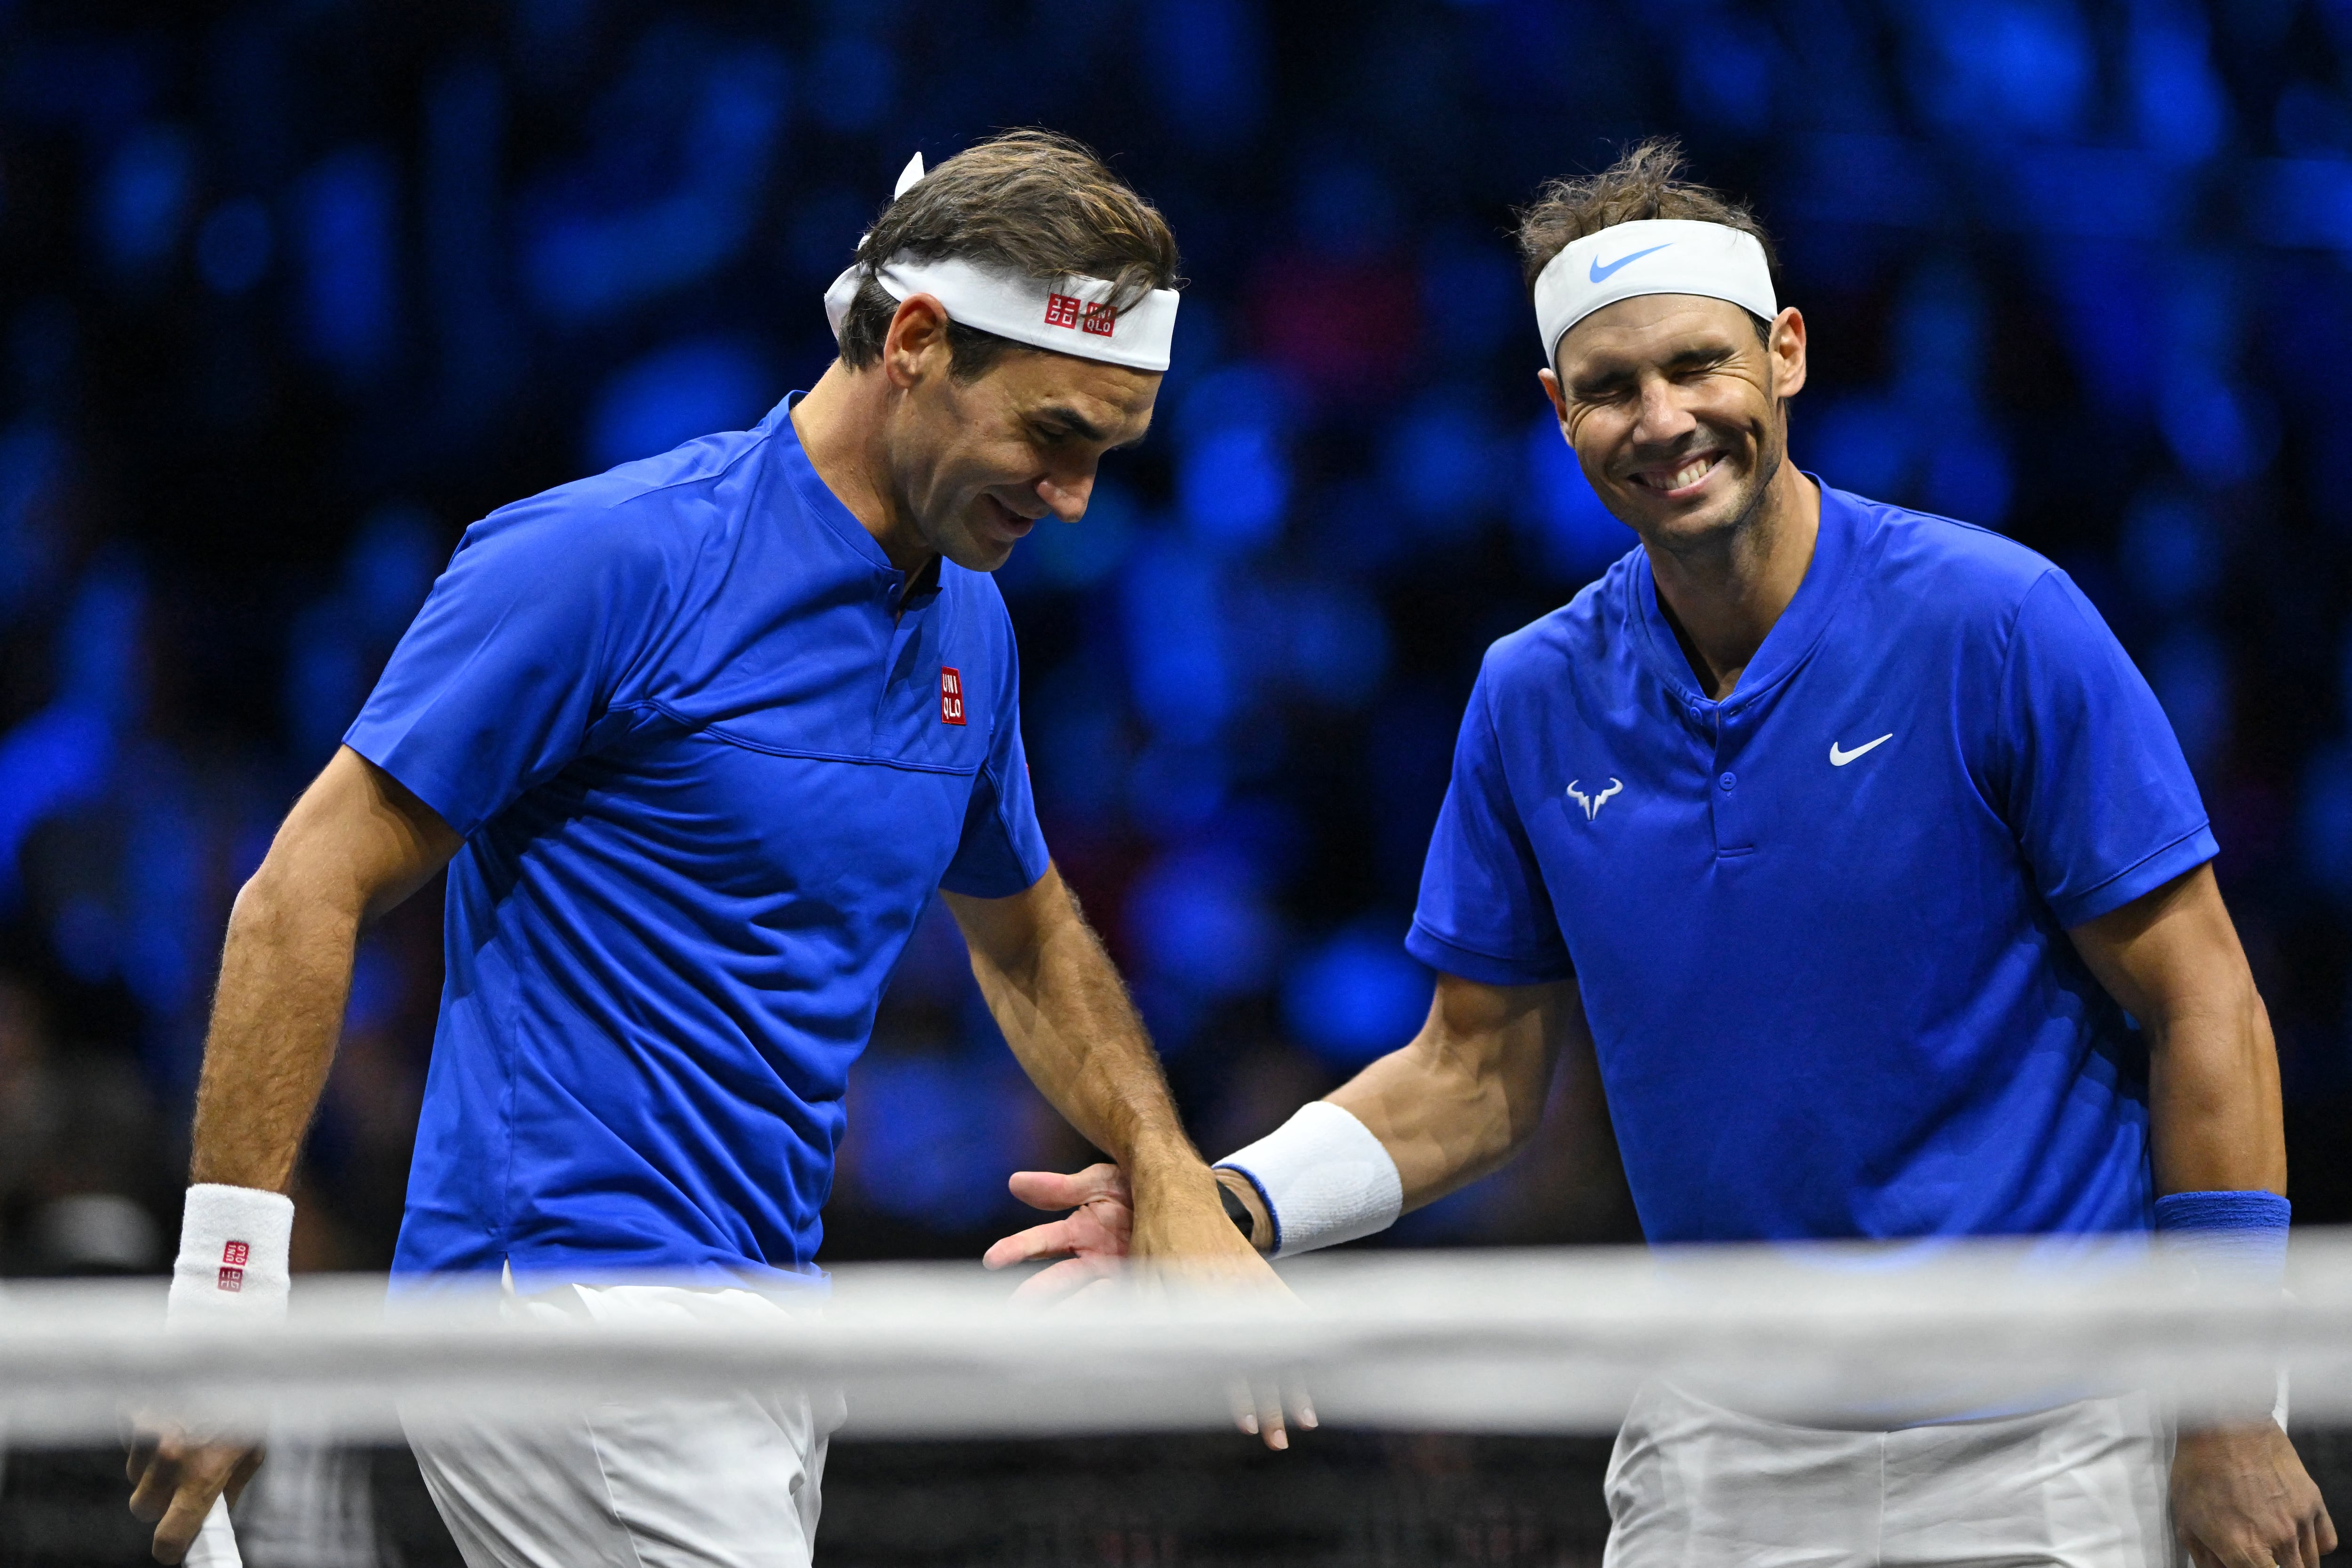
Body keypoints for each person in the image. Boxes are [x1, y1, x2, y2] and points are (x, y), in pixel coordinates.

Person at [988, 140, 2337, 1568]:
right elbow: (1473, 1078)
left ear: (1789, 357)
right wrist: (1233, 1199)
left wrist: (2231, 1411)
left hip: (2054, 1437)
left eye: (1703, 366)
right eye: (1616, 386)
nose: (1667, 417)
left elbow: (2208, 1007)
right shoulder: (1531, 693)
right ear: (1557, 413)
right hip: (1727, 1450)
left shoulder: (1999, 624)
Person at [126, 130, 1273, 1568]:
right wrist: (225, 1301)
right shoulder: (609, 560)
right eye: (1053, 437)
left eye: (1107, 456)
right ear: (915, 341)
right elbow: (300, 887)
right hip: (565, 1307)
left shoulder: (970, 621)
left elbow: (1030, 928)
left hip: (758, 1323)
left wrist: (1164, 1162)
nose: (1075, 499)